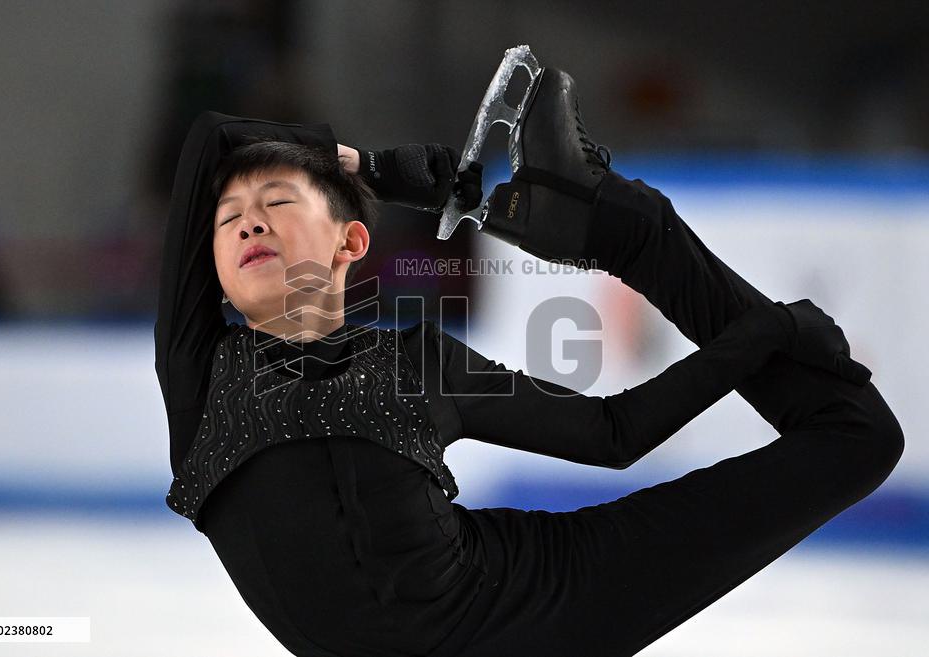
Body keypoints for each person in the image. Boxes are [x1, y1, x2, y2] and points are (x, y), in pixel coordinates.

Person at [154, 64, 904, 655]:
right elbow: (209, 140)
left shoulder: (416, 358)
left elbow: (615, 433)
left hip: (545, 605)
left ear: (351, 242)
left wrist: (765, 331)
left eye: (278, 202)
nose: (249, 219)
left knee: (861, 439)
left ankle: (636, 236)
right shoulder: (198, 370)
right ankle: (606, 222)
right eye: (228, 219)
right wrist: (372, 172)